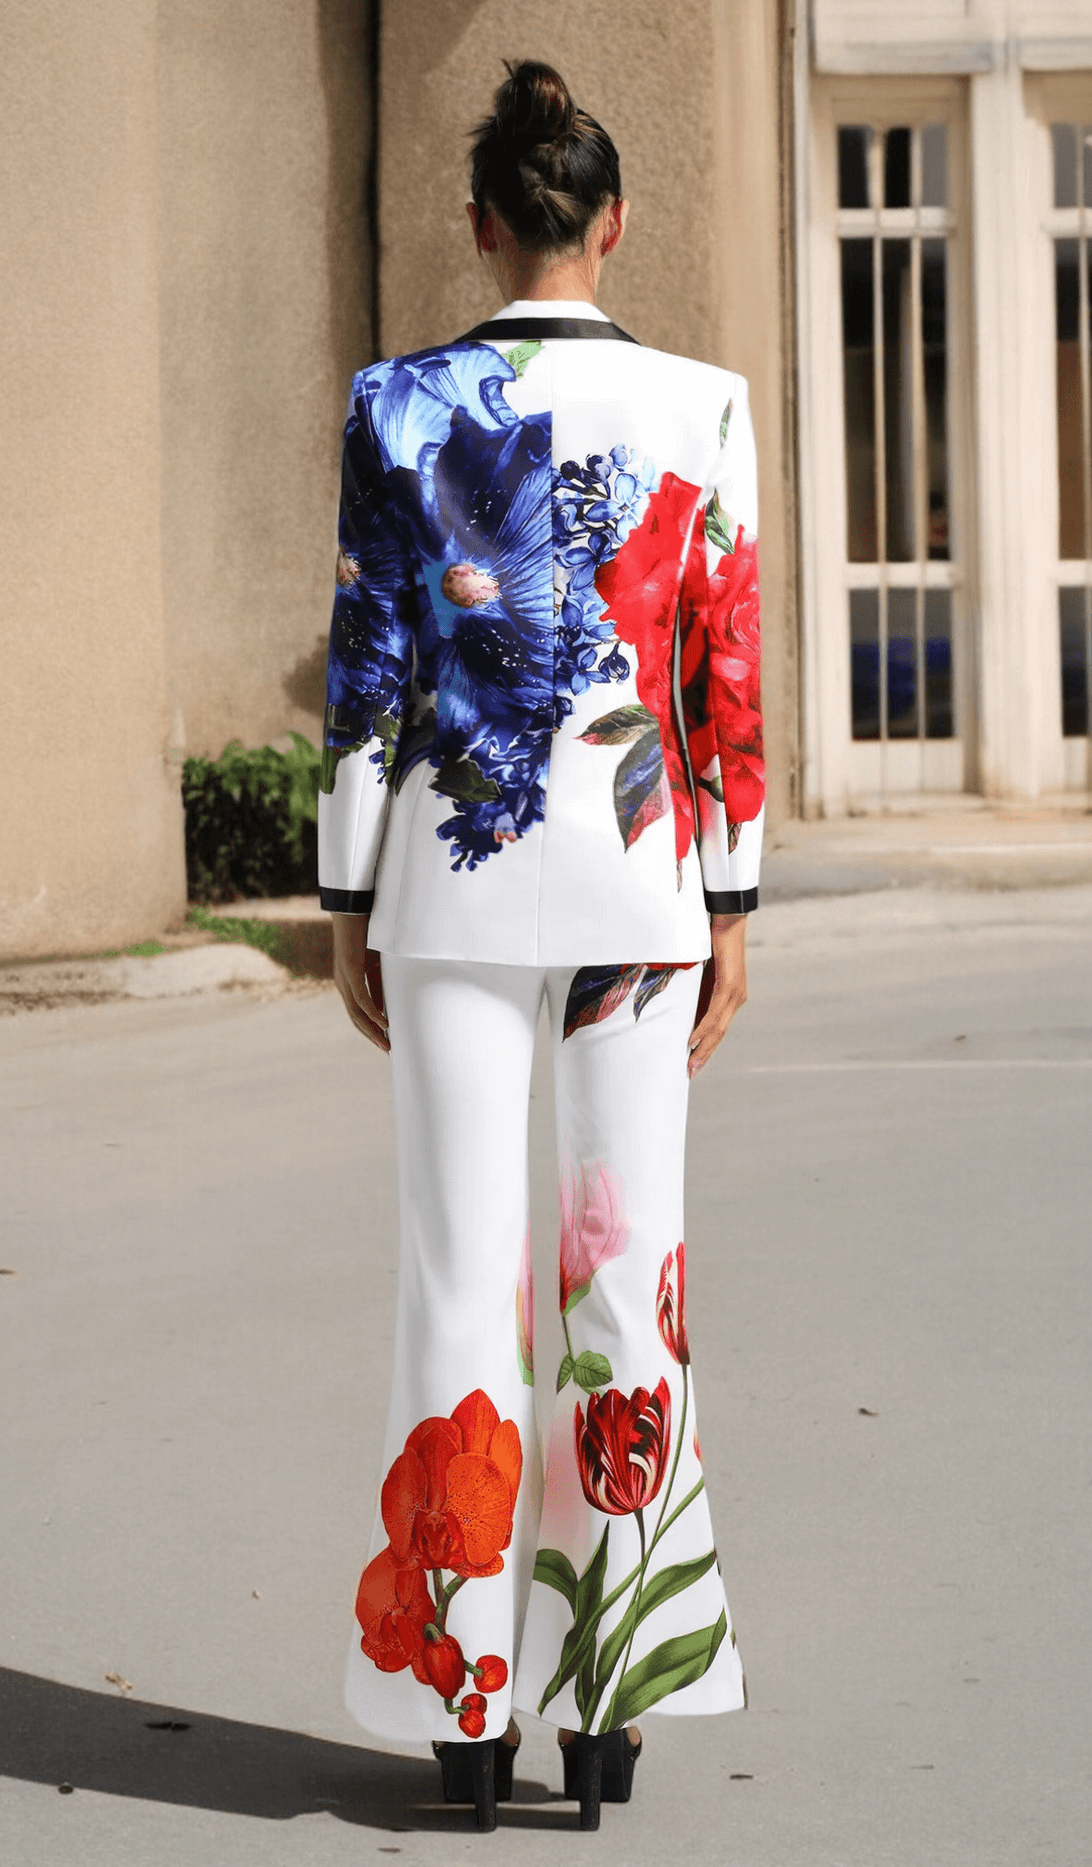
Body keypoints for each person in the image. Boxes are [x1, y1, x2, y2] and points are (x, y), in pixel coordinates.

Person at [317, 59, 763, 1832]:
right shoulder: (706, 405)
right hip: (642, 899)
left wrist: (346, 897)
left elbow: (369, 662)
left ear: (482, 220)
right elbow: (720, 669)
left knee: (458, 1273)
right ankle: (617, 1707)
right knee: (625, 1273)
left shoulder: (398, 405)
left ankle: (464, 1705)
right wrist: (733, 900)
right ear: (615, 221)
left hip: (450, 881)